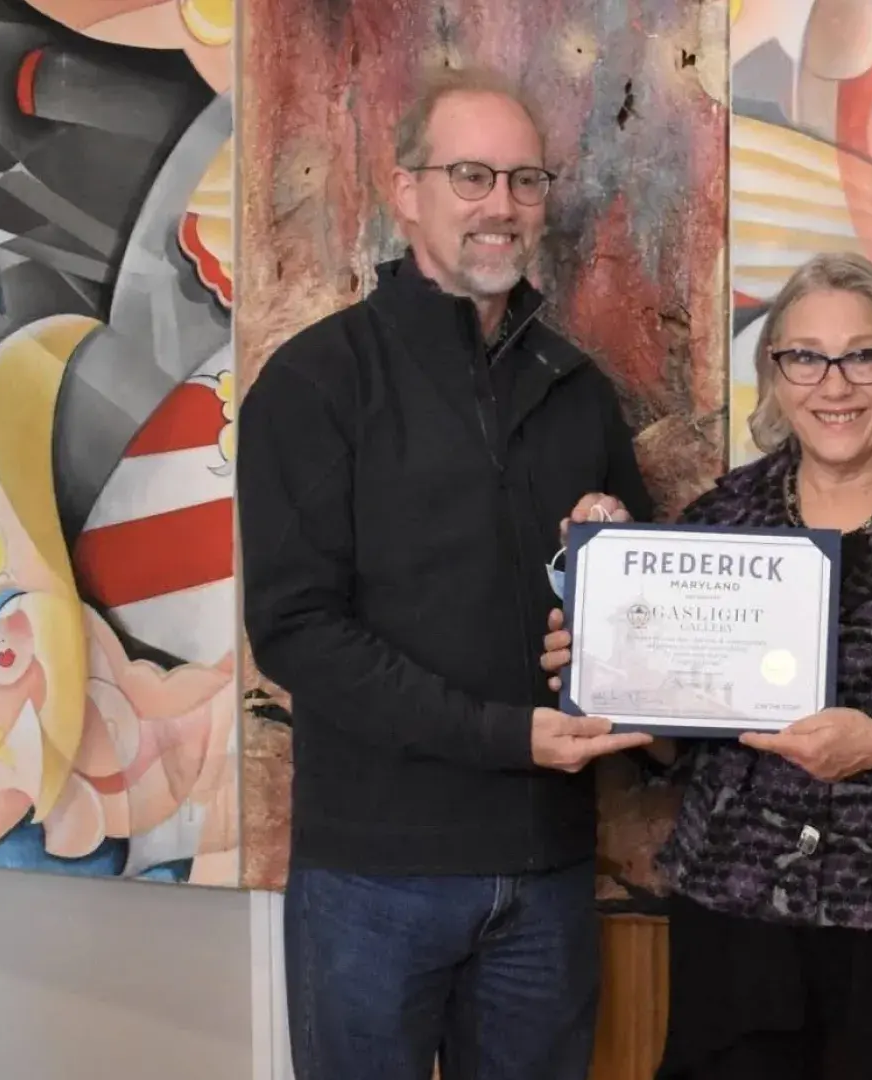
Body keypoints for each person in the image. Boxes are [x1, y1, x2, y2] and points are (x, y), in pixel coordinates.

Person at [541, 251, 872, 1080]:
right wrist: (609, 674)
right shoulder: (724, 516)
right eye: (805, 357)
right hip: (734, 917)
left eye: (863, 355)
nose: (835, 385)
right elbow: (680, 743)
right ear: (777, 374)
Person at [236, 66, 654, 1080]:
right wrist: (507, 735)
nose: (500, 206)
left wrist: (607, 602)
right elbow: (297, 630)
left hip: (548, 873)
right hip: (376, 876)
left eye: (524, 180)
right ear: (404, 189)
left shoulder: (578, 390)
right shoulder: (313, 383)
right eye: (471, 175)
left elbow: (631, 596)